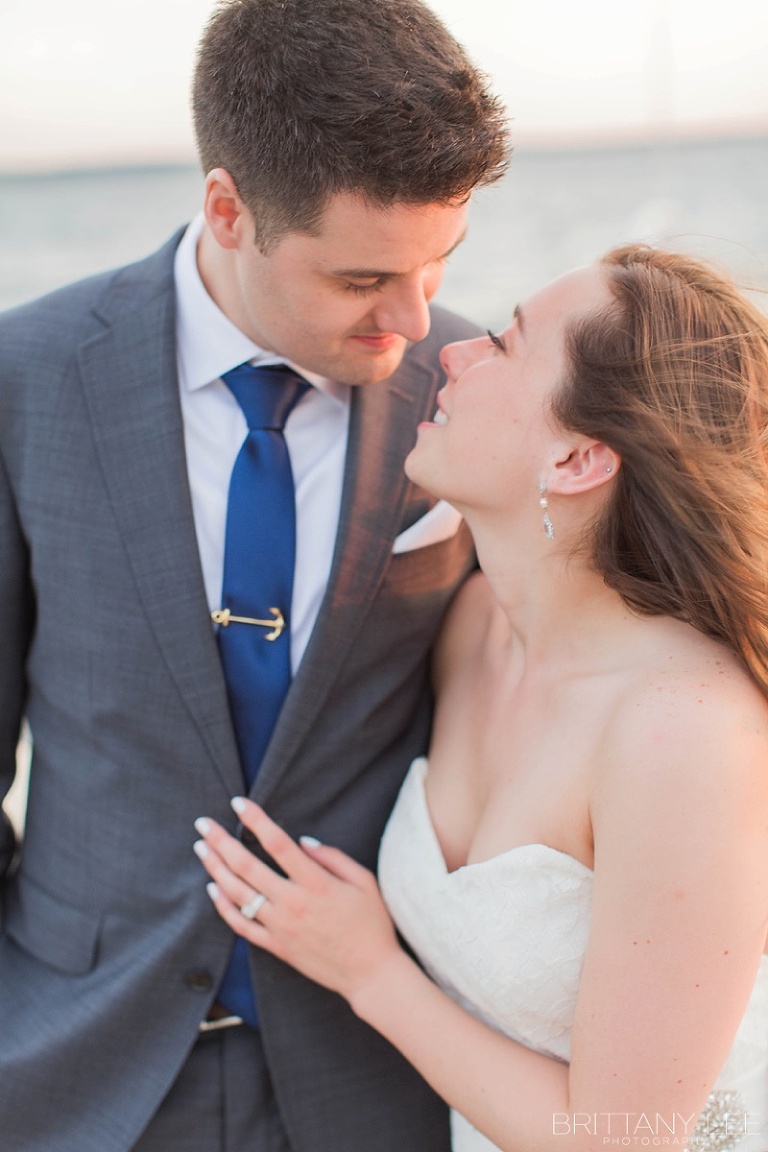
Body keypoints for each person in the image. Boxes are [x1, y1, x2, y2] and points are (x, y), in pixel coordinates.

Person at [0, 0, 510, 1149]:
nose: (417, 317)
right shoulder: (24, 378)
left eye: (441, 263)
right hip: (70, 1075)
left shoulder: (476, 391)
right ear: (228, 210)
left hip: (375, 1080)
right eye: (363, 277)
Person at [194, 244, 768, 1151]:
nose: (453, 353)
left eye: (505, 343)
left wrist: (370, 970)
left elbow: (626, 1139)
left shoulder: (683, 731)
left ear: (579, 458)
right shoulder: (471, 630)